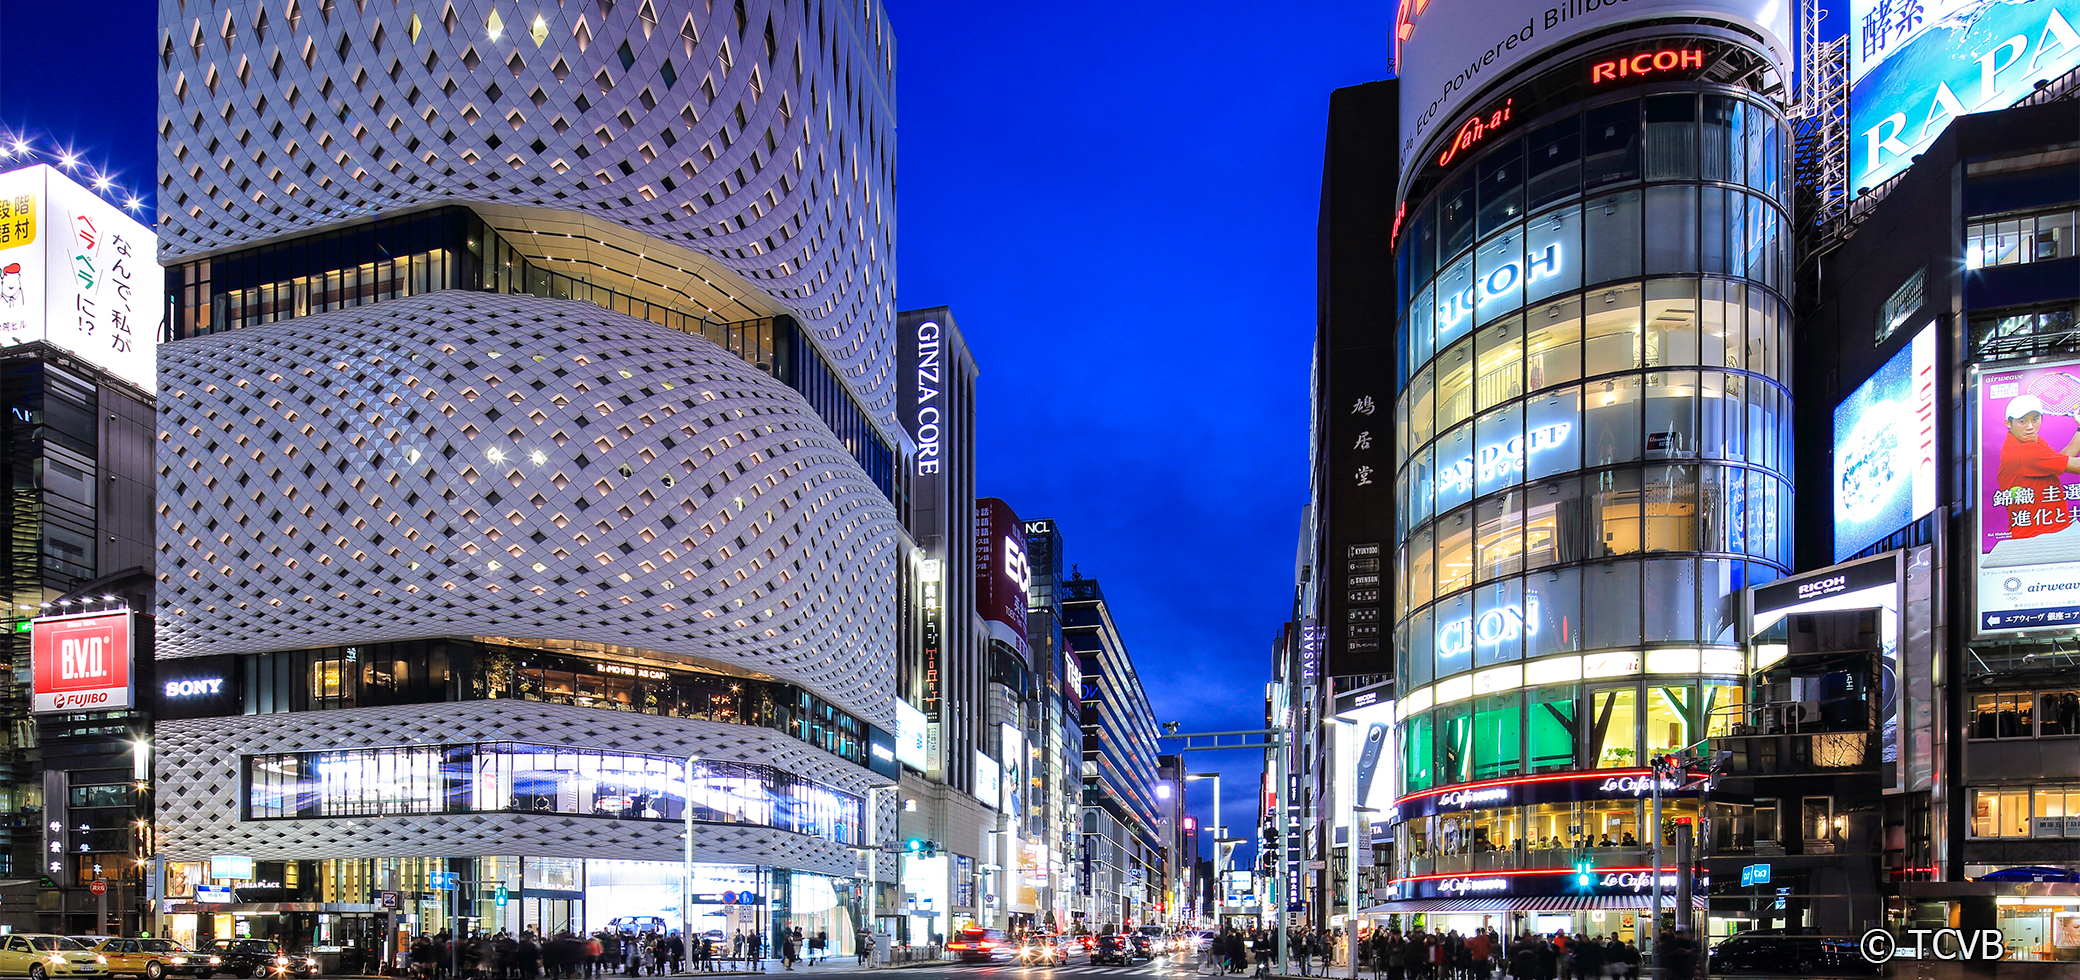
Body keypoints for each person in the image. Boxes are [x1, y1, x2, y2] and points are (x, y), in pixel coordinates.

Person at [1993, 393, 2080, 545]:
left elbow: (2062, 459)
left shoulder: (2031, 440)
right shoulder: (2025, 452)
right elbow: (2076, 466)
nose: (2030, 427)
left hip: (2055, 528)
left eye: (2035, 419)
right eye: (2022, 421)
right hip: (2040, 537)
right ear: (2008, 423)